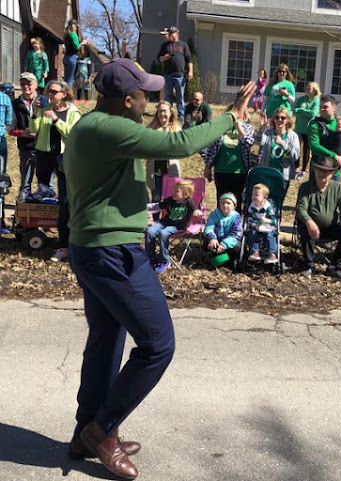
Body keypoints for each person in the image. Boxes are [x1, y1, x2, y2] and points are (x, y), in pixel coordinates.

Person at [63, 57, 255, 480]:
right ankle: (101, 430)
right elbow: (178, 145)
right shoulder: (110, 129)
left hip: (94, 247)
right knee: (158, 344)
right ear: (126, 100)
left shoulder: (93, 125)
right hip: (112, 252)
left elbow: (156, 143)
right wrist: (231, 118)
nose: (148, 102)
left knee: (106, 341)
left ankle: (84, 431)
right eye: (143, 95)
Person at [29, 79, 81, 262]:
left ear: (64, 94)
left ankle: (65, 246)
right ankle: (41, 229)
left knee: (65, 201)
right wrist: (35, 112)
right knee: (43, 194)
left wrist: (56, 120)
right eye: (48, 91)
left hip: (65, 158)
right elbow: (33, 129)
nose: (49, 94)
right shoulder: (45, 108)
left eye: (53, 92)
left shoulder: (73, 112)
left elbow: (73, 134)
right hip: (45, 155)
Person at [296, 156, 341, 280]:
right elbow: (301, 209)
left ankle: (335, 267)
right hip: (310, 228)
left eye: (326, 171)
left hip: (330, 227)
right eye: (319, 170)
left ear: (332, 173)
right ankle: (309, 266)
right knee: (304, 227)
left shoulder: (337, 188)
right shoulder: (305, 187)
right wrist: (309, 221)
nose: (322, 174)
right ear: (314, 170)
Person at [204, 105, 255, 213]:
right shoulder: (221, 128)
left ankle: (235, 223)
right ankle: (221, 222)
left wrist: (239, 128)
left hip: (239, 171)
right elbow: (211, 148)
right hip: (221, 170)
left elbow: (249, 143)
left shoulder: (247, 128)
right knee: (222, 201)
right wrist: (207, 167)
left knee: (236, 201)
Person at [145, 179, 201, 273]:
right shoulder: (169, 200)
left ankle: (164, 261)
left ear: (185, 194)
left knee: (164, 233)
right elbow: (157, 206)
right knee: (150, 231)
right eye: (174, 190)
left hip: (178, 226)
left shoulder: (189, 202)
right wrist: (144, 207)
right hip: (165, 222)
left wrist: (197, 212)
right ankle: (150, 258)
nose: (173, 192)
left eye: (177, 191)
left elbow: (195, 210)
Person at [8, 72, 46, 202]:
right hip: (25, 148)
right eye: (23, 84)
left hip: (44, 148)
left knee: (45, 184)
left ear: (36, 84)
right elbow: (10, 129)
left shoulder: (44, 101)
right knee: (25, 183)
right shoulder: (15, 104)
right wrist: (22, 133)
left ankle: (44, 210)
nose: (26, 87)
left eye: (29, 83)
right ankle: (23, 210)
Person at [257, 108, 299, 205]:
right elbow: (257, 142)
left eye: (282, 118)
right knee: (264, 203)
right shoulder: (268, 133)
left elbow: (295, 156)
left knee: (278, 203)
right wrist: (261, 129)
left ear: (287, 120)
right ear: (273, 120)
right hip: (267, 173)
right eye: (277, 117)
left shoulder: (293, 136)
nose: (279, 120)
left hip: (283, 175)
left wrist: (282, 144)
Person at [308, 94, 341, 182]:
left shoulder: (340, 124)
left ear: (334, 107)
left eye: (325, 107)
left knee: (334, 191)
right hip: (318, 170)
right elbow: (314, 146)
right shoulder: (315, 124)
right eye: (320, 107)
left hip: (335, 171)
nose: (321, 109)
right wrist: (334, 156)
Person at [145, 101, 182, 205]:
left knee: (171, 199)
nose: (162, 114)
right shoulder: (150, 128)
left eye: (165, 111)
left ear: (170, 113)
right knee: (156, 199)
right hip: (155, 170)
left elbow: (180, 147)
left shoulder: (176, 129)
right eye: (160, 111)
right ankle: (156, 216)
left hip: (171, 169)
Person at [157, 26, 193, 123]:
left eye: (171, 33)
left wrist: (190, 71)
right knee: (168, 96)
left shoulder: (183, 45)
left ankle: (181, 116)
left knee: (180, 96)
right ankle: (169, 114)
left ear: (176, 34)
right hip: (168, 74)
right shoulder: (165, 45)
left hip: (179, 74)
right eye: (169, 33)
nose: (170, 35)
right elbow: (159, 58)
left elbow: (189, 59)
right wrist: (164, 58)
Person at [203, 192, 243, 264]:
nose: (225, 205)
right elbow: (209, 228)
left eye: (228, 203)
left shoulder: (236, 217)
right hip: (216, 241)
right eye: (223, 203)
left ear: (234, 206)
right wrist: (212, 239)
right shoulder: (214, 214)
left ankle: (228, 259)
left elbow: (237, 233)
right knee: (206, 243)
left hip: (229, 243)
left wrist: (225, 244)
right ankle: (216, 258)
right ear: (219, 204)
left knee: (237, 247)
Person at [293, 81, 321, 179]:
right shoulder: (301, 99)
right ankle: (296, 167)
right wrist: (305, 113)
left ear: (314, 91)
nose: (307, 90)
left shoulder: (316, 100)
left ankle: (303, 170)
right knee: (296, 148)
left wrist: (301, 111)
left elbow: (313, 113)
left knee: (306, 150)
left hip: (309, 129)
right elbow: (294, 111)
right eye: (306, 88)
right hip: (299, 128)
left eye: (309, 89)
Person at [247, 183, 278, 264]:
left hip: (268, 226)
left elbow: (274, 220)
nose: (254, 197)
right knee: (252, 232)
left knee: (270, 235)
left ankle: (272, 254)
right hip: (256, 226)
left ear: (265, 197)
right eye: (253, 194)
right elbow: (249, 218)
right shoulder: (252, 206)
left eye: (257, 195)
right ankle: (255, 251)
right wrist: (253, 224)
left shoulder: (269, 207)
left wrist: (267, 220)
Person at [0, 84, 12, 233]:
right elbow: (8, 121)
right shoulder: (4, 98)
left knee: (1, 182)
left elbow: (9, 121)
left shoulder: (5, 98)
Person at [63, 19, 81, 88]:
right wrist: (83, 43)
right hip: (72, 57)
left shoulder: (66, 34)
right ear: (74, 26)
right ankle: (68, 94)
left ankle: (63, 93)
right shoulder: (73, 34)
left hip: (66, 57)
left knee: (66, 78)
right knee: (70, 79)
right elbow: (76, 46)